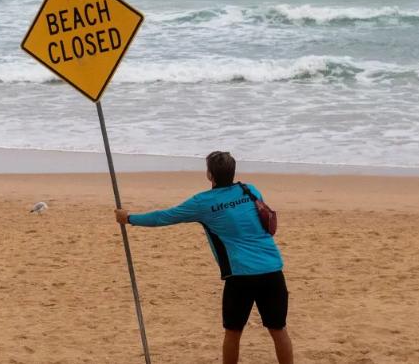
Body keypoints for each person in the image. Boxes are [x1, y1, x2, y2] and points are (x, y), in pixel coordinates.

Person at [114, 151, 293, 364]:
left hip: (241, 274)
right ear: (233, 171)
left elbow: (165, 217)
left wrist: (130, 218)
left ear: (209, 175)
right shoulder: (250, 190)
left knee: (233, 331)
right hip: (272, 268)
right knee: (278, 329)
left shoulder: (203, 203)